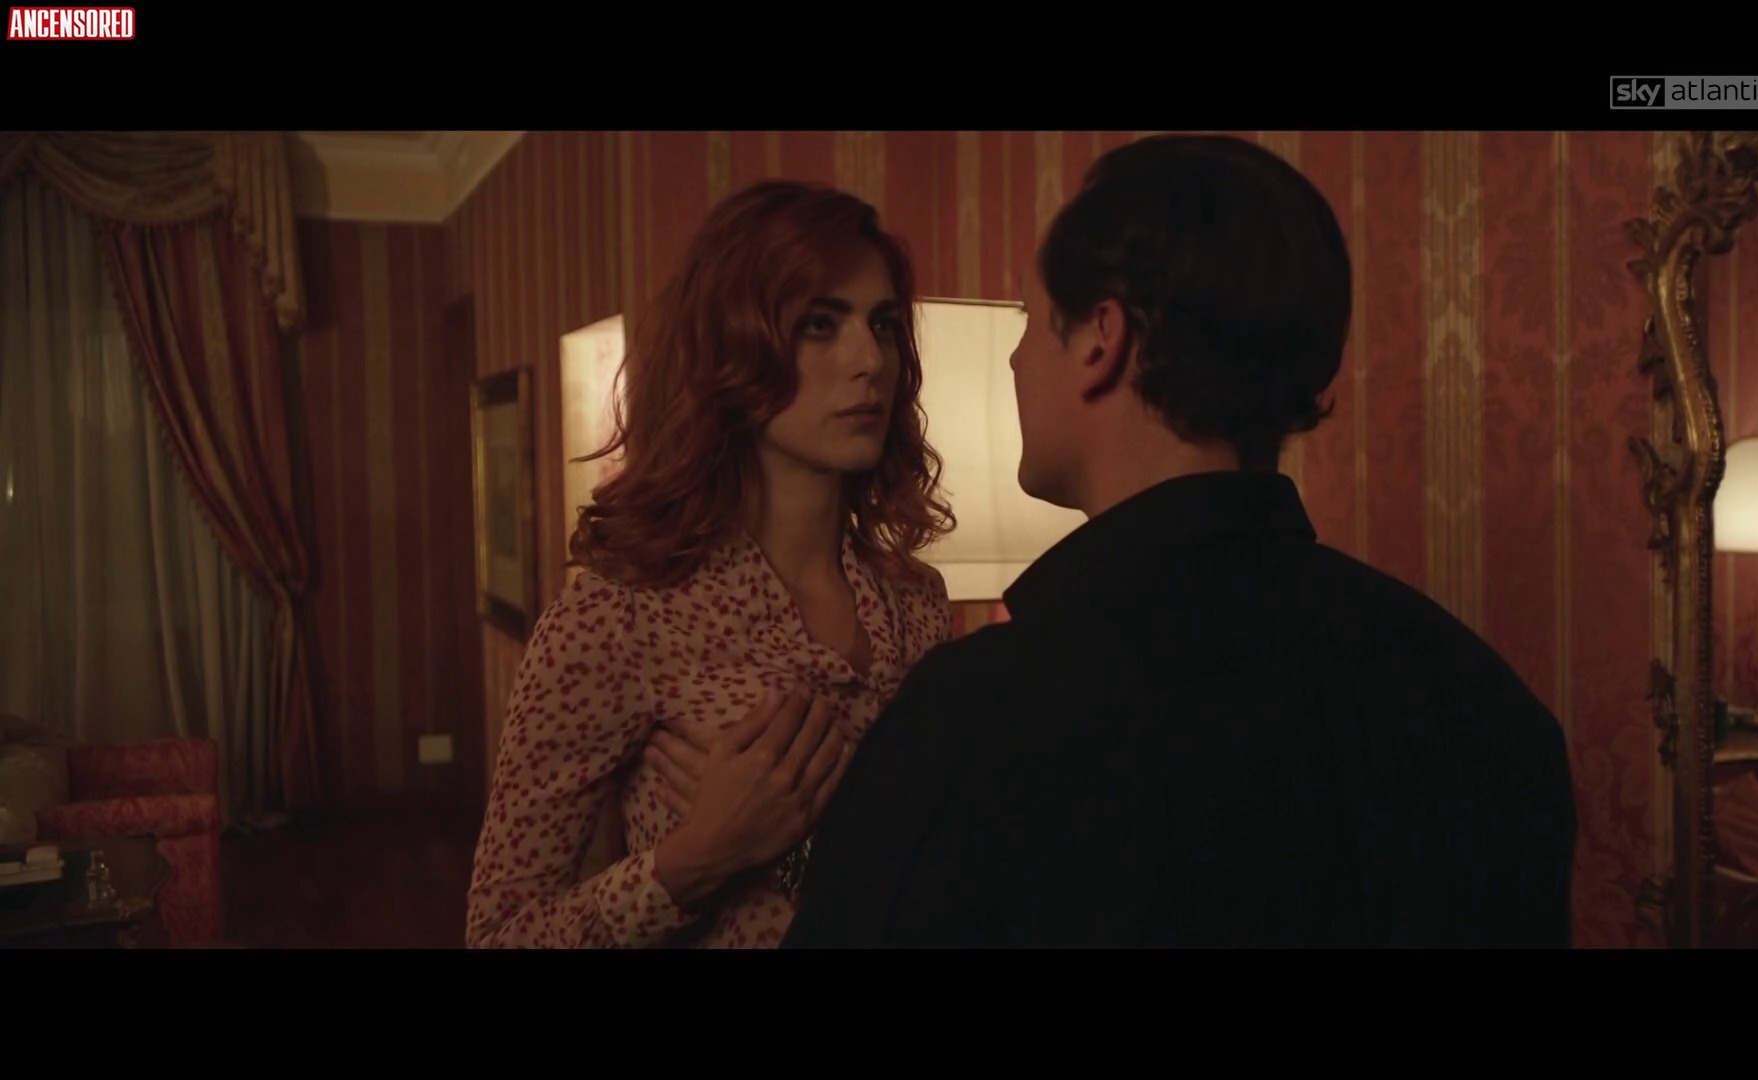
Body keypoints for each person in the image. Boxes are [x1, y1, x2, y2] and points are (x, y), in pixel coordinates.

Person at [779, 134, 1579, 949]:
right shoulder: (1487, 704)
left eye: (1028, 321)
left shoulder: (974, 723)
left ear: (1101, 339)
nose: (1016, 361)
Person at [465, 179, 955, 949]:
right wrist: (692, 862)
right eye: (819, 324)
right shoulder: (620, 616)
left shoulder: (916, 602)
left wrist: (800, 846)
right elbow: (498, 935)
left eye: (884, 325)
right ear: (734, 347)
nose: (870, 360)